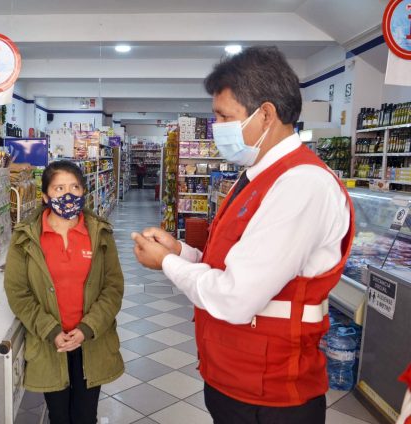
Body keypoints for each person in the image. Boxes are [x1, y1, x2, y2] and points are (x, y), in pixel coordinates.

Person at [131, 46, 355, 424]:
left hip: (272, 393)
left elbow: (236, 297)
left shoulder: (301, 185)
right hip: (237, 377)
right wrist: (183, 252)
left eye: (224, 116)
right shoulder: (256, 174)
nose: (216, 126)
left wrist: (167, 263)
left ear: (265, 114)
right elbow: (237, 264)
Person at [4, 160, 124, 424]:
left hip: (92, 341)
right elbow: (17, 292)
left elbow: (113, 288)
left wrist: (87, 328)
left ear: (83, 191)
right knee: (58, 416)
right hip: (49, 343)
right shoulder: (26, 237)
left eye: (74, 187)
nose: (67, 194)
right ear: (45, 196)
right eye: (59, 188)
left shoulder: (100, 233)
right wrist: (51, 331)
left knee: (85, 416)